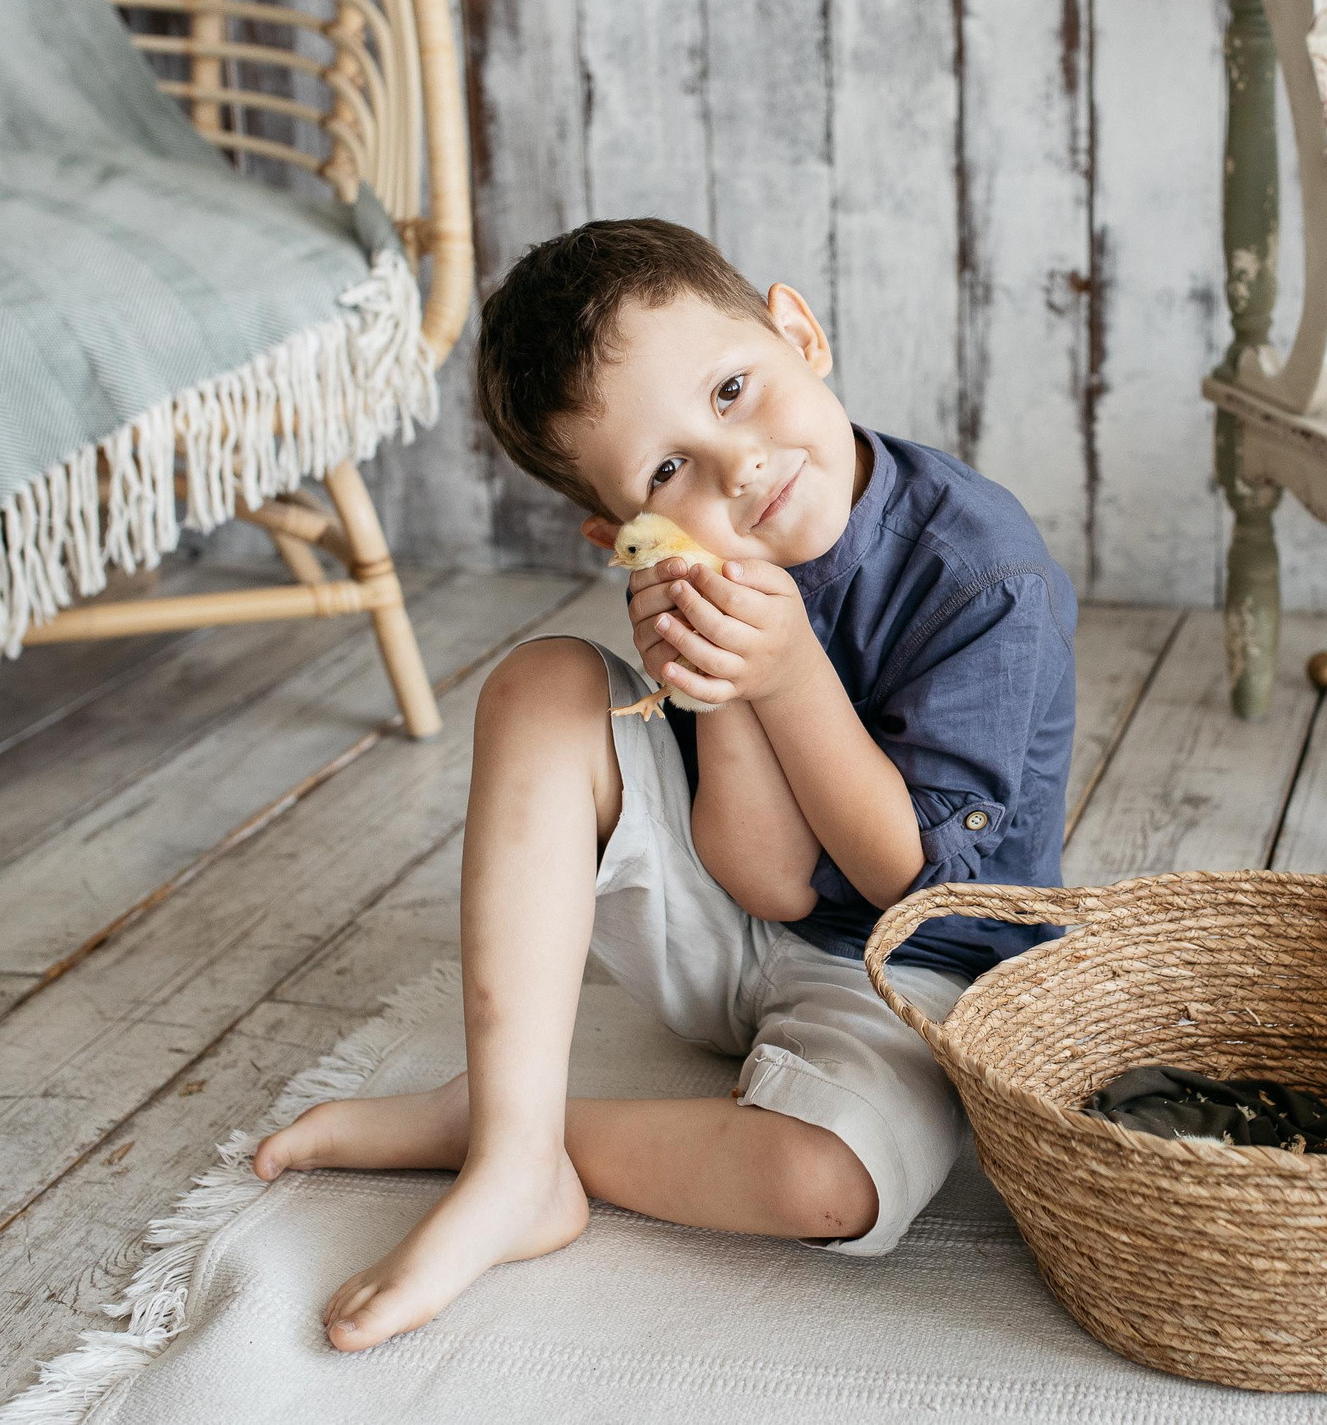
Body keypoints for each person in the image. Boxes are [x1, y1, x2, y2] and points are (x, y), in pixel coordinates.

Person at [252, 219, 1078, 1351]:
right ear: (622, 529)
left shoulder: (978, 572)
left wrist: (784, 675)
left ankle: (523, 1124)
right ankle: (511, 1163)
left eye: (735, 389)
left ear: (799, 332)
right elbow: (769, 879)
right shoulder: (698, 579)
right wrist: (714, 687)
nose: (735, 465)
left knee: (824, 1185)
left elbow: (913, 883)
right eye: (667, 469)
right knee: (542, 683)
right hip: (731, 926)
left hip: (917, 973)